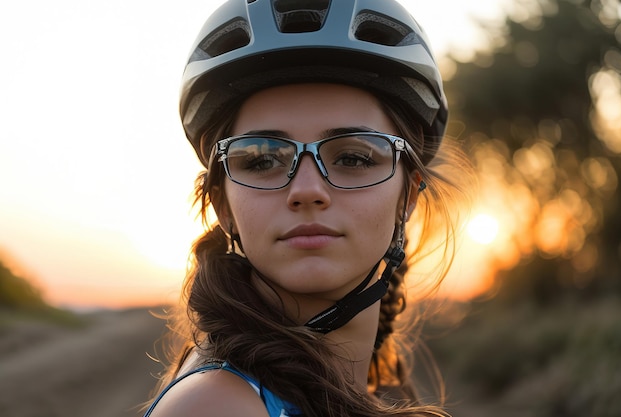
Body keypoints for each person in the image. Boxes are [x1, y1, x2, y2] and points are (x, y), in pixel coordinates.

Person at [144, 1, 472, 416]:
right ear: (223, 204)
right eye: (262, 158)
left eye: (353, 157)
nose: (307, 190)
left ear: (407, 196)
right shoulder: (217, 406)